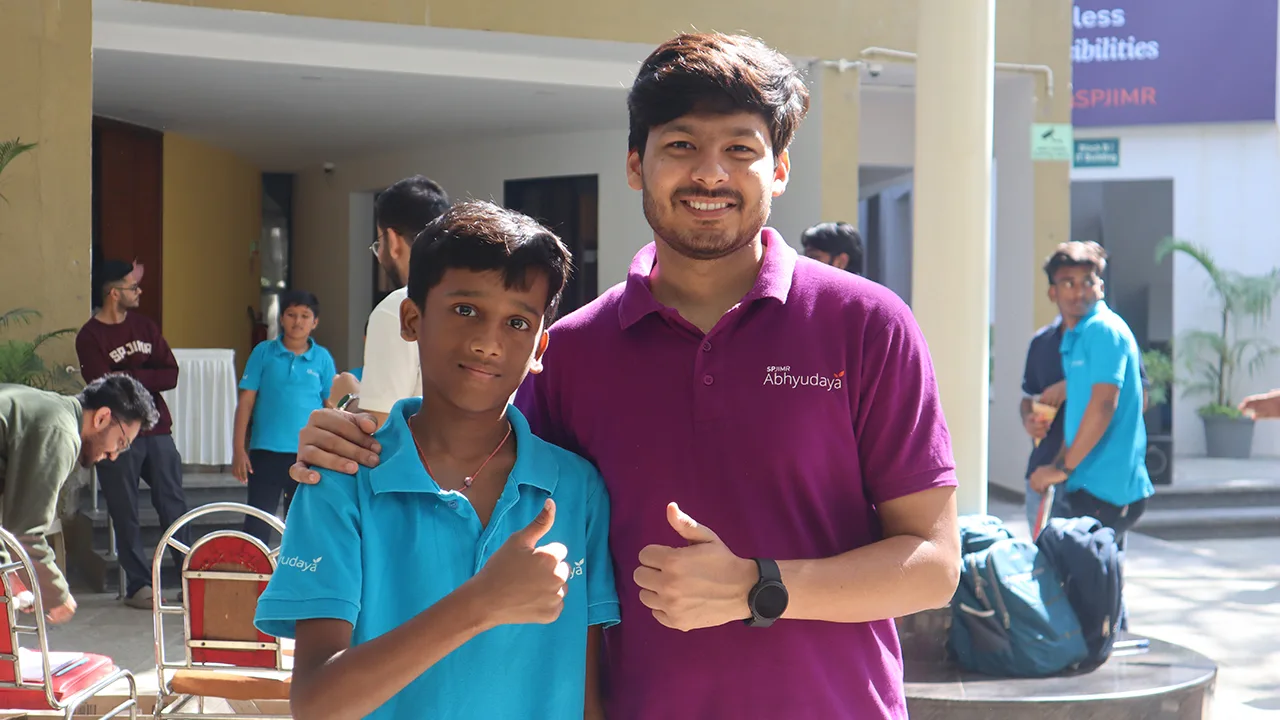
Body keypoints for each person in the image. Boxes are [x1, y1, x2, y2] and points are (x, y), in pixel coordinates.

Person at [289, 32, 959, 720]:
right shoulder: (572, 353)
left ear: (779, 168)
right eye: (681, 146)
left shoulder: (869, 325)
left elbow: (934, 566)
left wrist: (758, 587)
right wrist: (353, 437)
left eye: (740, 148)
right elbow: (472, 448)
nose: (709, 174)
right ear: (636, 164)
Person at [254, 201, 619, 720]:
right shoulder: (341, 478)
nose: (487, 342)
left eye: (516, 322)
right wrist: (480, 603)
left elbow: (588, 694)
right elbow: (315, 704)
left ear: (539, 346)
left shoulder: (576, 490)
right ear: (411, 319)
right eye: (466, 309)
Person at [75, 259, 190, 609]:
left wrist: (128, 377)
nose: (139, 292)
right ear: (113, 293)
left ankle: (189, 578)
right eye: (132, 287)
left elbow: (170, 373)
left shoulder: (145, 326)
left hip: (157, 430)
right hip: (113, 434)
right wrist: (139, 377)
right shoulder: (90, 336)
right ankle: (139, 586)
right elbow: (103, 387)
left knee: (173, 502)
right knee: (125, 509)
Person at [0, 374, 158, 623]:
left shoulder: (43, 409)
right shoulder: (60, 432)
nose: (115, 455)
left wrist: (7, 570)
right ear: (102, 417)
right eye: (120, 442)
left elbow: (9, 525)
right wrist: (57, 594)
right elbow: (25, 531)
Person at [1029, 241, 1153, 546]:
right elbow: (1080, 412)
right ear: (1052, 292)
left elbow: (1103, 406)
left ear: (1100, 286)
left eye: (1088, 281)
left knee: (1091, 588)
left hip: (1107, 490)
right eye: (1068, 283)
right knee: (1086, 586)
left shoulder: (1103, 330)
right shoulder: (1076, 335)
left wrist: (1060, 469)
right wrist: (1056, 467)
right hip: (1083, 484)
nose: (1079, 291)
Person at [233, 290, 336, 543]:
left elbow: (331, 406)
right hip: (265, 452)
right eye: (291, 314)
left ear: (315, 322)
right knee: (257, 524)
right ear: (281, 318)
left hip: (307, 454)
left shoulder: (322, 359)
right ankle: (256, 581)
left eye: (305, 316)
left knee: (301, 526)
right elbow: (246, 402)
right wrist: (238, 449)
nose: (297, 322)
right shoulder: (263, 352)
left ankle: (297, 581)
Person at [359, 175, 452, 428]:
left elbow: (380, 430)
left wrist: (347, 399)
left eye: (379, 243)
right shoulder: (475, 302)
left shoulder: (396, 309)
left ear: (393, 240)